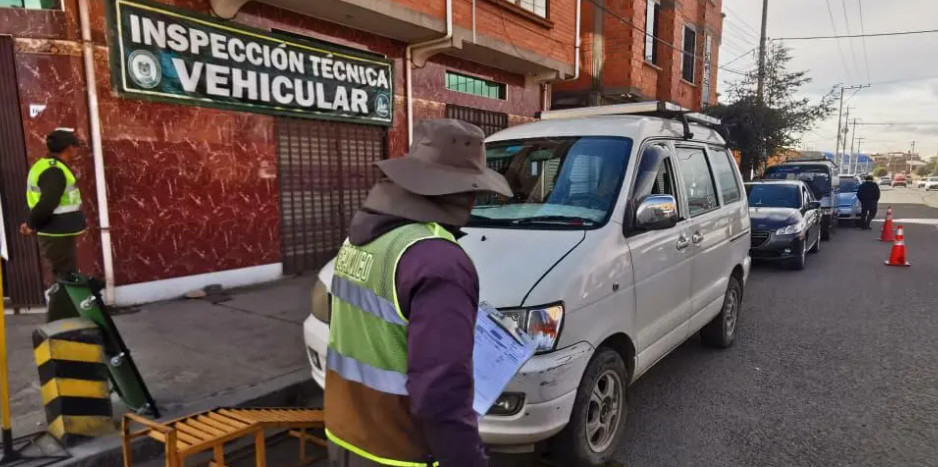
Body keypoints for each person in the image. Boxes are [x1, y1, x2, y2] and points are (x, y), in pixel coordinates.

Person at [324, 119, 512, 467]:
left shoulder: (361, 238)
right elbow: (441, 395)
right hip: (399, 451)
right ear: (464, 193)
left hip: (345, 435)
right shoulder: (440, 262)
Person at [20, 129, 87, 320]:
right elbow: (48, 202)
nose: (76, 152)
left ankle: (65, 319)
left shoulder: (48, 166)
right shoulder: (54, 170)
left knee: (65, 275)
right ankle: (59, 323)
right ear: (69, 148)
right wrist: (31, 224)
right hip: (55, 232)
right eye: (75, 147)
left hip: (57, 232)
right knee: (64, 278)